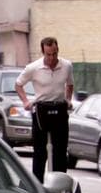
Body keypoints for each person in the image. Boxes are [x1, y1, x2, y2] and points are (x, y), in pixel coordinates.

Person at [15, 37, 74, 183]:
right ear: (43, 52)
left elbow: (70, 84)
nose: (52, 57)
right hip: (41, 109)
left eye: (54, 53)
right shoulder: (33, 68)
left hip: (59, 108)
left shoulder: (66, 66)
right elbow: (18, 85)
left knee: (60, 151)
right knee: (40, 152)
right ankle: (38, 185)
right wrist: (25, 102)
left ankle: (58, 185)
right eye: (48, 54)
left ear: (57, 50)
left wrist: (68, 100)